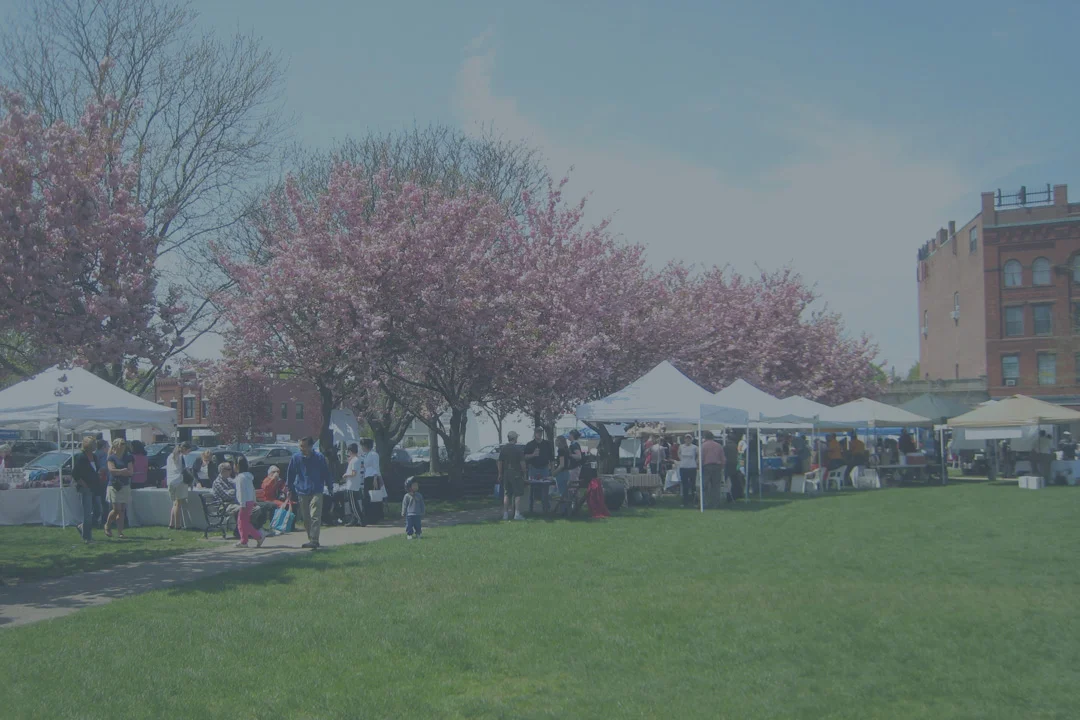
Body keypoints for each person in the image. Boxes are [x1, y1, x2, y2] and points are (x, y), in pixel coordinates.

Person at [287, 437, 331, 550]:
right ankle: (311, 538)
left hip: (317, 489)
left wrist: (330, 486)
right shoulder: (295, 458)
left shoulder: (319, 458)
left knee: (315, 515)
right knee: (306, 517)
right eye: (300, 446)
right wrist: (289, 489)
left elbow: (326, 472)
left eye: (304, 446)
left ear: (311, 446)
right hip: (302, 490)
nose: (302, 448)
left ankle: (314, 540)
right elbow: (291, 474)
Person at [72, 436, 101, 543]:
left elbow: (95, 470)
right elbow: (75, 474)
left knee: (99, 510)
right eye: (93, 444)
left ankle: (82, 526)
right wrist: (84, 484)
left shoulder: (95, 456)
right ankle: (87, 538)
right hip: (85, 488)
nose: (95, 446)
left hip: (95, 487)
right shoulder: (80, 457)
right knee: (87, 513)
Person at [103, 438, 134, 538]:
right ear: (116, 446)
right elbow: (111, 470)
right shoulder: (111, 458)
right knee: (116, 509)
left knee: (122, 510)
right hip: (114, 485)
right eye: (122, 444)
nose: (124, 445)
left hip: (125, 485)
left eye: (124, 444)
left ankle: (120, 532)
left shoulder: (128, 457)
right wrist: (122, 471)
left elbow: (131, 472)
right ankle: (107, 525)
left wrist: (122, 472)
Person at [233, 456, 264, 548]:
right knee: (243, 522)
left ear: (238, 466)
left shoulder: (240, 478)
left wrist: (242, 504)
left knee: (242, 523)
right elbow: (252, 489)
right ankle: (245, 540)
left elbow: (241, 491)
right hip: (249, 501)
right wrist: (254, 500)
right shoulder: (248, 477)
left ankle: (257, 537)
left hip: (244, 503)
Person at [498, 431, 527, 521]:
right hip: (516, 473)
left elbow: (499, 462)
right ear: (515, 438)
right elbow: (522, 463)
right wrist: (524, 472)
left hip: (506, 473)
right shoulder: (518, 449)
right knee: (517, 494)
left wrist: (500, 473)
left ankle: (505, 514)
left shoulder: (504, 449)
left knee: (507, 494)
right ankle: (517, 514)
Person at [523, 428, 554, 514]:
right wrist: (533, 455)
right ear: (534, 433)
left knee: (545, 489)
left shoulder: (547, 444)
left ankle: (546, 509)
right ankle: (531, 508)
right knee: (532, 488)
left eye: (540, 432)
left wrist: (552, 469)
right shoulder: (530, 444)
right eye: (537, 432)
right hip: (533, 468)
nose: (539, 434)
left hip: (545, 468)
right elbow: (524, 457)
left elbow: (551, 458)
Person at [166, 441, 193, 530]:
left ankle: (171, 523)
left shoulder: (170, 456)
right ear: (184, 449)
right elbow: (183, 470)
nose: (188, 453)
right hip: (179, 481)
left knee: (174, 503)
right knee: (178, 504)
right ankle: (178, 525)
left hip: (170, 481)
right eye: (188, 450)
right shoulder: (181, 457)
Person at [360, 438, 384, 523]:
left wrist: (375, 478)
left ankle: (376, 517)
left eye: (363, 446)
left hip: (373, 477)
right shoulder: (366, 455)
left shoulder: (374, 454)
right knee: (367, 497)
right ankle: (369, 516)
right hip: (367, 476)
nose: (362, 447)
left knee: (374, 497)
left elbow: (376, 467)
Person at [342, 443, 366, 527]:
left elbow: (353, 473)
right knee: (352, 504)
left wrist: (346, 475)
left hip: (352, 485)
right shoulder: (354, 460)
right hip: (351, 485)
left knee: (353, 504)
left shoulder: (355, 460)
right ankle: (354, 520)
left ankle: (361, 519)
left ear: (351, 451)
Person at [700, 431, 725, 508]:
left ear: (705, 437)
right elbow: (723, 458)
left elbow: (701, 458)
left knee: (704, 486)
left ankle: (704, 503)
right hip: (717, 466)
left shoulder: (703, 446)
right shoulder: (719, 446)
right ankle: (715, 504)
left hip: (706, 466)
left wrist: (699, 466)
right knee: (716, 486)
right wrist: (722, 467)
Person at [677, 434, 699, 507]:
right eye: (686, 438)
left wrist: (696, 461)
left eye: (689, 439)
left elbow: (698, 454)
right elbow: (679, 453)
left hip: (692, 467)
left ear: (691, 439)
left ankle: (694, 501)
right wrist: (681, 459)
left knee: (693, 485)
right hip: (683, 467)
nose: (688, 440)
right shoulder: (681, 446)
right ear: (684, 439)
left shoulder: (695, 447)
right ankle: (685, 501)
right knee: (684, 485)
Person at [93, 439, 110, 527]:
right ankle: (104, 519)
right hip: (103, 480)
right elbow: (103, 468)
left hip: (94, 480)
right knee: (104, 501)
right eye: (108, 446)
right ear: (104, 447)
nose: (109, 447)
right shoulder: (104, 455)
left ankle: (96, 519)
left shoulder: (93, 454)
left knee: (95, 500)